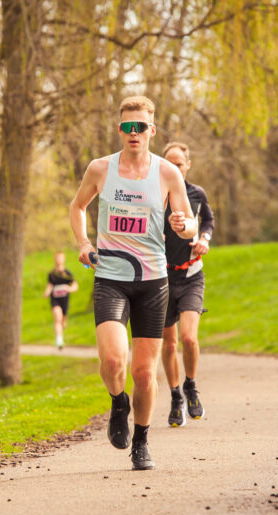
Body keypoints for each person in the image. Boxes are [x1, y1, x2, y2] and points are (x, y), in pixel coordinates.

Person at [69, 96, 198, 470]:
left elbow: (189, 222)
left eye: (140, 127)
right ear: (120, 129)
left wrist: (183, 226)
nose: (133, 133)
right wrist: (83, 243)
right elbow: (77, 206)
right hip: (110, 277)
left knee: (144, 373)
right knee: (112, 360)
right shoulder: (100, 169)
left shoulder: (167, 173)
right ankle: (117, 402)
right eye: (127, 127)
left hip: (152, 282)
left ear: (151, 130)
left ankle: (141, 441)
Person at [160, 142, 215, 427]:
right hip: (161, 278)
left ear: (187, 165)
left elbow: (208, 219)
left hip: (192, 275)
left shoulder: (196, 193)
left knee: (189, 338)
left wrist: (204, 240)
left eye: (179, 163)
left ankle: (191, 385)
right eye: (168, 163)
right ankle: (175, 397)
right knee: (168, 344)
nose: (174, 168)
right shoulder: (154, 194)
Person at [44, 251, 79, 349]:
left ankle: (60, 335)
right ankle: (59, 340)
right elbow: (50, 285)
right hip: (55, 300)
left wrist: (69, 289)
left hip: (64, 300)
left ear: (64, 259)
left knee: (63, 322)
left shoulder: (67, 273)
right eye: (57, 258)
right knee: (57, 316)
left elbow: (75, 285)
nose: (59, 260)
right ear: (55, 259)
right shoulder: (52, 274)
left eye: (61, 258)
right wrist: (47, 292)